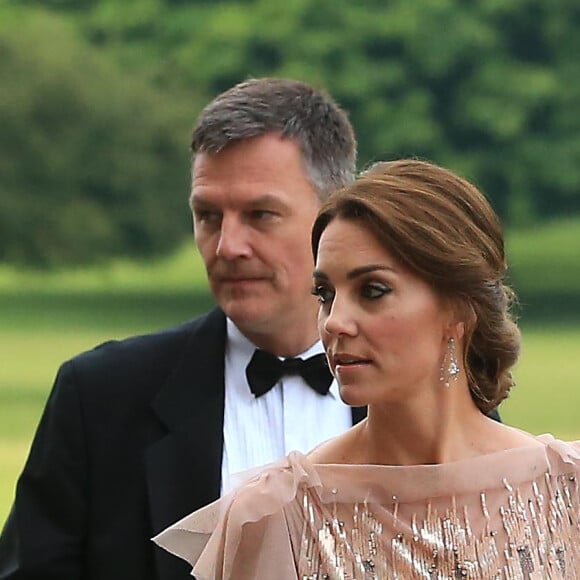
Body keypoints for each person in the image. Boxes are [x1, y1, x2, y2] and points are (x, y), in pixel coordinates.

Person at [0, 78, 363, 580]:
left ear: (332, 216)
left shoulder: (427, 391)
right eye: (208, 216)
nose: (227, 245)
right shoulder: (101, 396)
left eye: (260, 214)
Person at [154, 159, 580, 579]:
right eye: (325, 294)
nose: (335, 321)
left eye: (373, 291)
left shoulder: (568, 491)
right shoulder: (277, 514)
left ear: (459, 310)